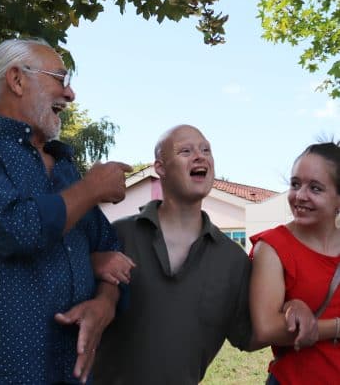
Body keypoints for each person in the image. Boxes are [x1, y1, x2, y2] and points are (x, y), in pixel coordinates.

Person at [0, 38, 132, 385]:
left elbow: (112, 255)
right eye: (60, 78)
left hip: (69, 374)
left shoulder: (66, 169)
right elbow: (18, 228)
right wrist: (92, 189)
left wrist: (105, 304)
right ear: (17, 79)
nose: (70, 94)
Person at [90, 124, 316, 385]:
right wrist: (91, 262)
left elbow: (249, 335)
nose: (200, 156)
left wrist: (291, 307)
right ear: (160, 168)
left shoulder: (233, 259)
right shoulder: (119, 236)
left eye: (206, 149)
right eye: (185, 151)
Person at [249, 141, 340, 384]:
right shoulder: (272, 246)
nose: (300, 196)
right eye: (295, 184)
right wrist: (335, 327)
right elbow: (265, 328)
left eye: (316, 188)